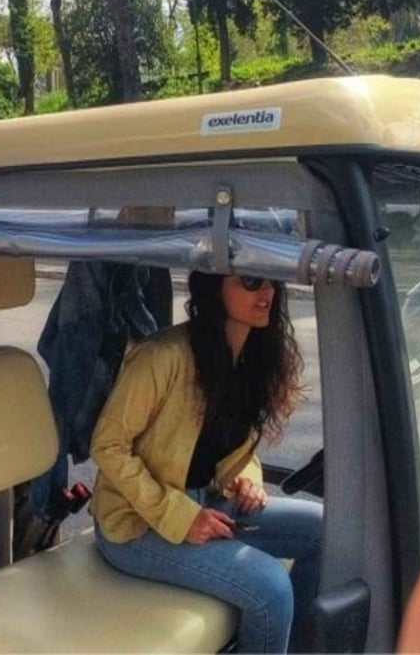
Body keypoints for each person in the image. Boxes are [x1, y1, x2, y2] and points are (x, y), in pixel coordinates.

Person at [91, 272, 323, 654]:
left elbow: (224, 446)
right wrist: (181, 517)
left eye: (271, 282)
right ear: (215, 288)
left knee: (321, 529)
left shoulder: (251, 359)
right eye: (250, 282)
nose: (267, 292)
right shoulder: (162, 356)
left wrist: (248, 477)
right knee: (270, 587)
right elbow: (108, 445)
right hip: (135, 524)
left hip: (206, 501)